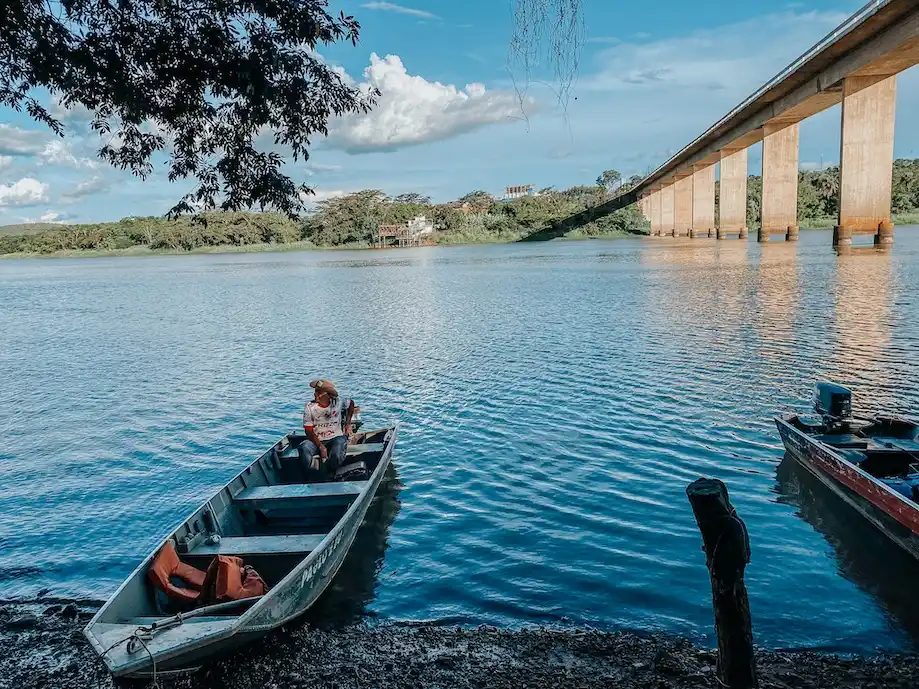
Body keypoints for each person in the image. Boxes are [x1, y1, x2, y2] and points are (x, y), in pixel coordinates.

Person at [299, 379, 356, 478]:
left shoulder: (338, 402)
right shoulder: (310, 407)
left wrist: (347, 424)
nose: (316, 395)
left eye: (319, 393)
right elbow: (308, 431)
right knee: (304, 447)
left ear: (328, 395)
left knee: (338, 447)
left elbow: (351, 404)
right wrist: (321, 446)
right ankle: (310, 476)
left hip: (335, 437)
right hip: (316, 440)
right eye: (316, 392)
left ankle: (332, 473)